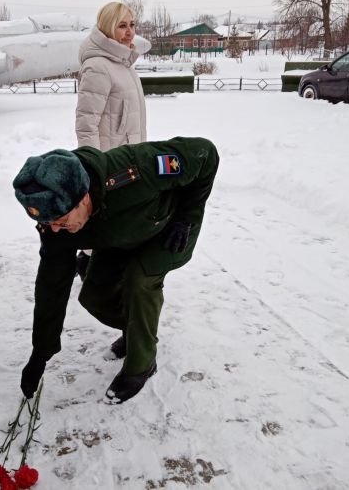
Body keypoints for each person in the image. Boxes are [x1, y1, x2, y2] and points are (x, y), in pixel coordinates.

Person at [12, 137, 219, 404]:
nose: (54, 229)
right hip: (120, 236)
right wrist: (40, 353)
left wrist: (187, 217)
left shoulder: (136, 170)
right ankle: (136, 333)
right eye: (48, 223)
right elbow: (51, 287)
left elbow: (205, 155)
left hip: (168, 229)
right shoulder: (56, 224)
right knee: (94, 295)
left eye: (61, 222)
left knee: (139, 281)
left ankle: (141, 364)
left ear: (83, 198)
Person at [74, 1, 148, 278]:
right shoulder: (98, 67)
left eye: (132, 24)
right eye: (122, 25)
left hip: (128, 157)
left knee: (120, 217)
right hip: (109, 160)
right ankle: (89, 267)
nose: (130, 32)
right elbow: (86, 123)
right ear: (107, 27)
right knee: (106, 217)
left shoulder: (124, 64)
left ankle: (95, 263)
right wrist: (93, 167)